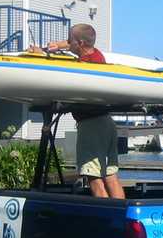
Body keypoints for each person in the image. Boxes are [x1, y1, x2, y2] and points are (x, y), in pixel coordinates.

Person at [46, 24, 125, 199]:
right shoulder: (96, 54)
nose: (67, 43)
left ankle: (106, 219)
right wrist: (56, 46)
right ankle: (121, 217)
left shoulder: (85, 66)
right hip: (106, 123)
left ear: (80, 43)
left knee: (94, 178)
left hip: (91, 126)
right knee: (111, 176)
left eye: (70, 40)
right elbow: (71, 45)